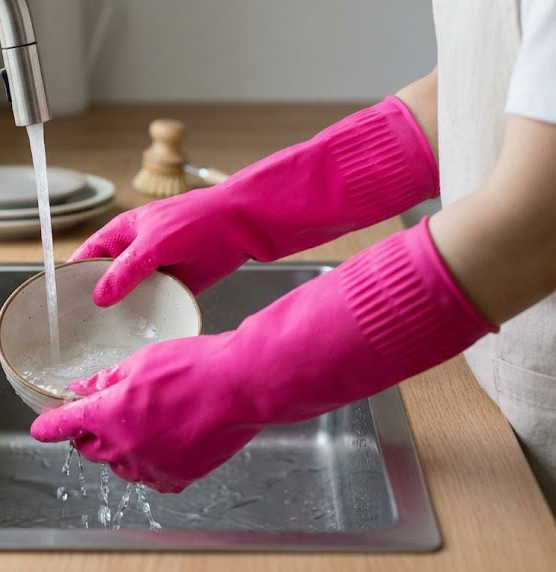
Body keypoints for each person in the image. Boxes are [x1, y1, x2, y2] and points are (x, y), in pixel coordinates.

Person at [30, 0, 556, 507]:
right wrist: (243, 211)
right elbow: (473, 94)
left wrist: (245, 376)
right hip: (502, 408)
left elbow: (535, 229)